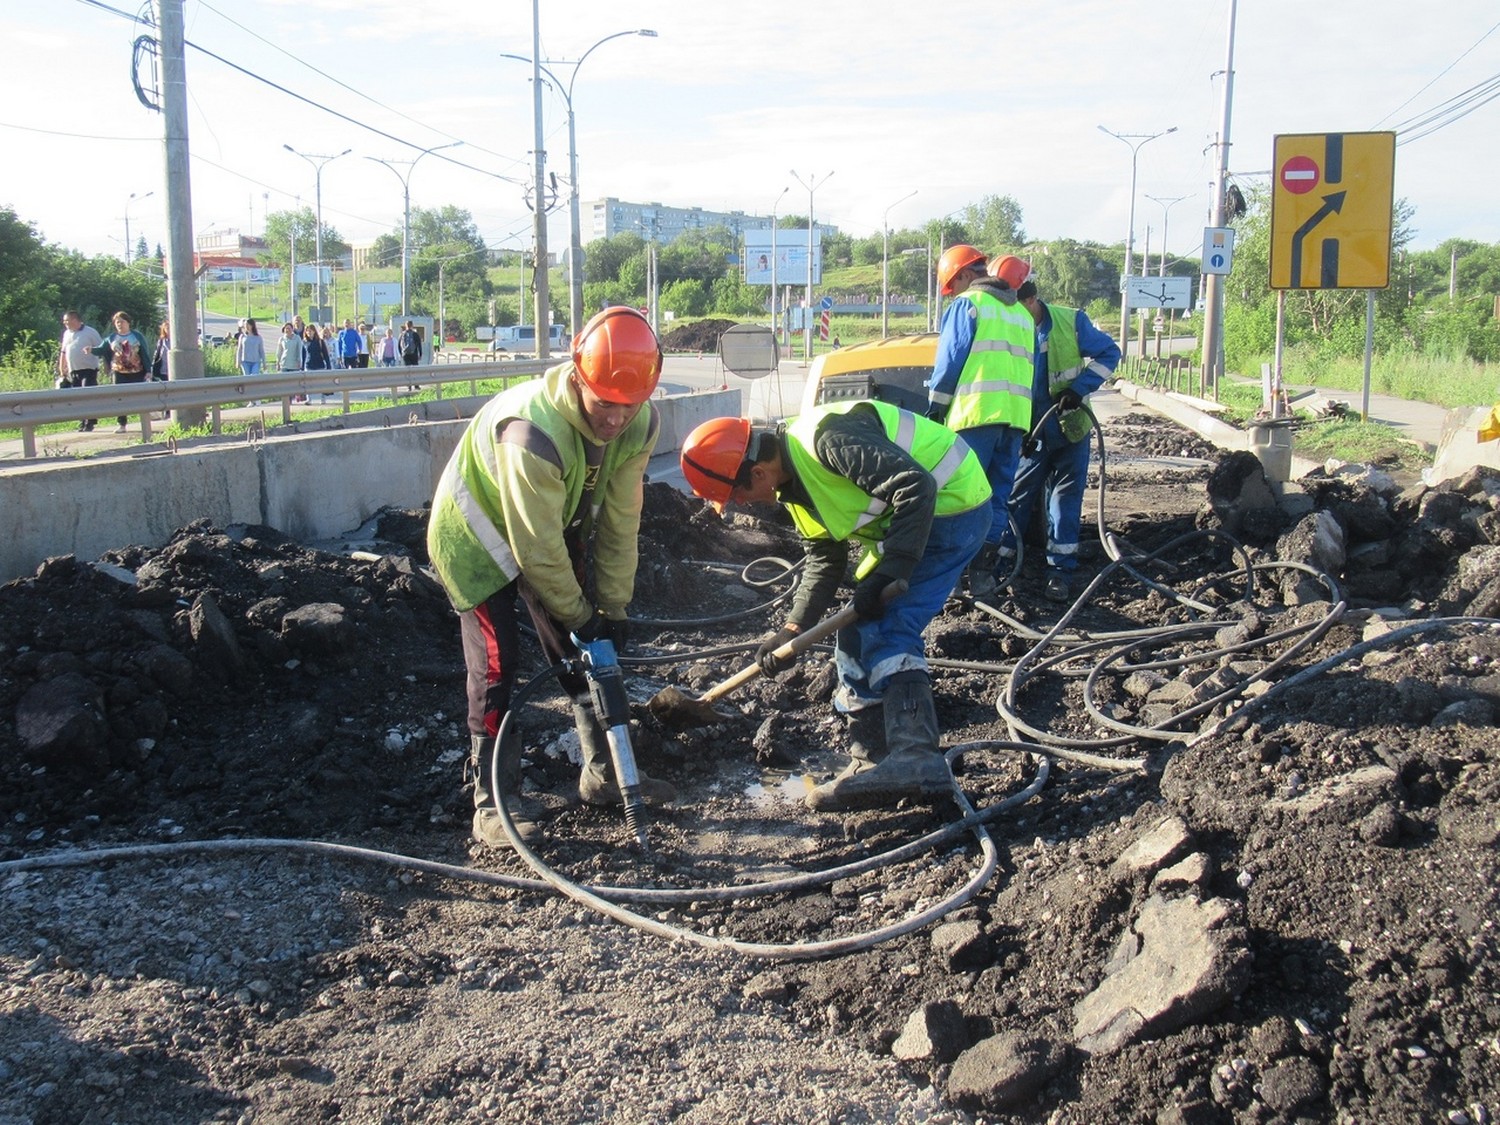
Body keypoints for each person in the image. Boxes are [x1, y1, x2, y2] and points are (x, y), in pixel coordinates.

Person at [426, 307, 674, 848]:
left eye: (627, 406)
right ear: (578, 378)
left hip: (550, 520)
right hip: (476, 534)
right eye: (603, 403)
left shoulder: (641, 424)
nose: (614, 419)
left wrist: (613, 610)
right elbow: (535, 553)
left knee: (583, 648)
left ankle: (605, 775)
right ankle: (492, 801)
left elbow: (618, 521)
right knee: (499, 663)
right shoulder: (532, 433)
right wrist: (585, 615)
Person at [679, 399, 992, 811]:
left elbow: (916, 486)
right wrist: (791, 631)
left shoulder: (827, 441)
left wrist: (891, 571)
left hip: (953, 507)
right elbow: (824, 558)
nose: (741, 505)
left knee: (889, 626)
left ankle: (917, 760)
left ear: (757, 473)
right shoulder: (790, 483)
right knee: (855, 632)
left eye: (736, 496)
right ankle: (872, 762)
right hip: (910, 522)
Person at [996, 266, 1121, 603]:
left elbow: (1111, 353)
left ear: (1032, 299)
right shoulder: (1008, 328)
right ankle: (1002, 565)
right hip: (1030, 432)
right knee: (1017, 498)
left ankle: (1060, 572)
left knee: (1065, 501)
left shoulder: (1071, 322)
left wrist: (1079, 389)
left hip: (1070, 429)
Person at [925, 246, 1036, 599]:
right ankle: (983, 577)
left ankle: (952, 578)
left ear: (963, 275)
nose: (952, 294)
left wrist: (935, 410)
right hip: (1014, 420)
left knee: (959, 495)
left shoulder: (969, 305)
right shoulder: (1020, 313)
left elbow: (949, 364)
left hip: (974, 416)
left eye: (951, 286)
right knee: (996, 498)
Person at [91, 311, 150, 433]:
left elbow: (144, 353)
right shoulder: (112, 338)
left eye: (122, 322)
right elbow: (102, 349)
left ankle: (145, 421)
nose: (119, 324)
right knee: (120, 398)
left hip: (136, 371)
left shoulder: (136, 336)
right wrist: (91, 350)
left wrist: (148, 370)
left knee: (139, 397)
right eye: (117, 322)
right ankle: (122, 424)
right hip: (119, 372)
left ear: (128, 322)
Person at [57, 310, 102, 432]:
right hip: (74, 370)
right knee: (78, 397)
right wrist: (62, 368)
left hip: (89, 369)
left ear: (75, 320)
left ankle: (90, 421)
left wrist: (107, 364)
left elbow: (101, 348)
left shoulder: (90, 332)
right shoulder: (67, 333)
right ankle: (82, 421)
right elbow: (64, 351)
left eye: (67, 320)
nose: (65, 323)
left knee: (87, 394)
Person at [151, 321, 171, 421]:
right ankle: (167, 412)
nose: (168, 330)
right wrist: (153, 368)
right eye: (166, 328)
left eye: (170, 328)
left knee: (173, 391)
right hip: (164, 370)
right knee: (165, 391)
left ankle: (172, 411)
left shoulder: (178, 341)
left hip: (174, 370)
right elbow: (157, 354)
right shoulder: (162, 341)